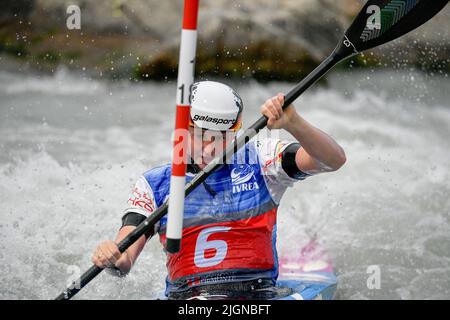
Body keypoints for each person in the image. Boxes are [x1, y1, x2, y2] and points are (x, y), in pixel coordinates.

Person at [92, 81, 346, 299]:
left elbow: (332, 160)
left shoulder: (262, 160)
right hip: (187, 297)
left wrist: (294, 123)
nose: (209, 148)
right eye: (200, 135)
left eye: (221, 136)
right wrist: (111, 257)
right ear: (182, 129)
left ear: (236, 131)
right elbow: (124, 262)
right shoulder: (155, 185)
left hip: (259, 294)